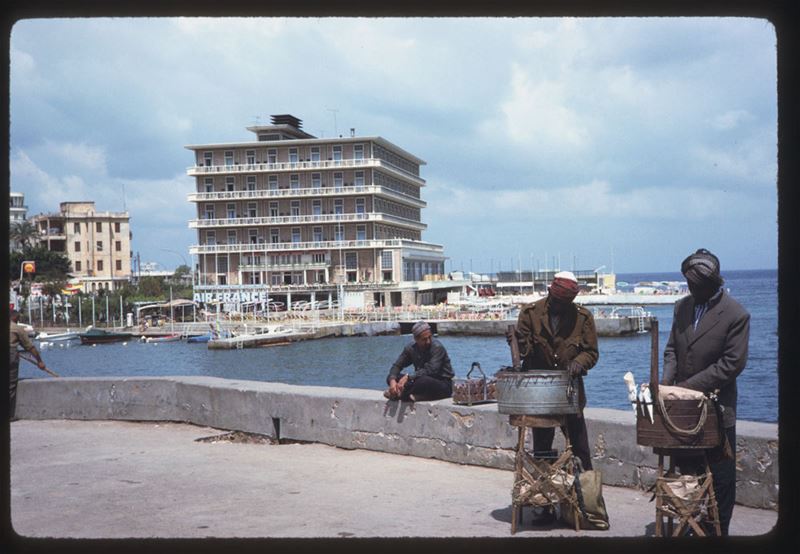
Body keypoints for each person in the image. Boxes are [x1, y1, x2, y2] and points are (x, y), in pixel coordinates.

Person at [662, 248, 750, 536]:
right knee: (687, 471)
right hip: (681, 408)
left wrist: (686, 388)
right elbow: (673, 349)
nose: (691, 290)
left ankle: (717, 529)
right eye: (689, 284)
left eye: (696, 286)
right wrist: (666, 387)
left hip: (717, 408)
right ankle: (691, 521)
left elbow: (731, 364)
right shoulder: (682, 307)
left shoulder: (736, 314)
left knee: (721, 475)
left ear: (713, 284)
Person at [511, 271, 599, 471]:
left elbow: (591, 352)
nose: (560, 307)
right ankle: (545, 492)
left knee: (580, 448)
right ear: (550, 294)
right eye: (557, 302)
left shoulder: (583, 317)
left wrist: (579, 362)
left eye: (565, 304)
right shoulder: (529, 313)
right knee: (542, 447)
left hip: (570, 393)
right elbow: (524, 354)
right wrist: (518, 343)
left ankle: (585, 494)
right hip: (540, 393)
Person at [384, 321, 454, 402]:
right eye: (424, 339)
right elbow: (397, 366)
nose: (428, 341)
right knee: (391, 377)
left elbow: (431, 370)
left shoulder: (437, 347)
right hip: (420, 378)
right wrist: (392, 380)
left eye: (430, 337)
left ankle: (401, 394)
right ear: (416, 339)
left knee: (423, 381)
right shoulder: (411, 348)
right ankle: (403, 393)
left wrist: (408, 377)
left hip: (442, 383)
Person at [9, 309, 46, 420]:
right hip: (10, 355)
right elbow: (30, 347)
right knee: (10, 385)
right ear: (15, 318)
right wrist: (39, 361)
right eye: (18, 318)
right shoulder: (17, 328)